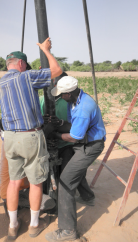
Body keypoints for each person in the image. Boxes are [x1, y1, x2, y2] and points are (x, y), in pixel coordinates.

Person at [0, 37, 62, 240]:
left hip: (10, 138)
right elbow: (57, 71)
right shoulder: (26, 77)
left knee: (14, 182)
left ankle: (13, 225)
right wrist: (46, 49)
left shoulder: (0, 83)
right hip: (29, 136)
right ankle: (34, 225)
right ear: (22, 64)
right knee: (35, 182)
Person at [45, 76, 106, 242]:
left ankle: (68, 231)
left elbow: (74, 137)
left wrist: (55, 133)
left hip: (89, 146)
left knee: (65, 182)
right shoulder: (76, 101)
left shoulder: (83, 108)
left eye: (62, 94)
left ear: (69, 93)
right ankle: (87, 197)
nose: (60, 97)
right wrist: (60, 123)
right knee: (73, 171)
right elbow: (72, 125)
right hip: (86, 142)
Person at [40, 72, 96, 205]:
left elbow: (76, 129)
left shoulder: (72, 102)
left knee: (71, 171)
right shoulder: (43, 100)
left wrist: (59, 125)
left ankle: (85, 195)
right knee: (48, 171)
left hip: (68, 143)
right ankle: (49, 196)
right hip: (50, 142)